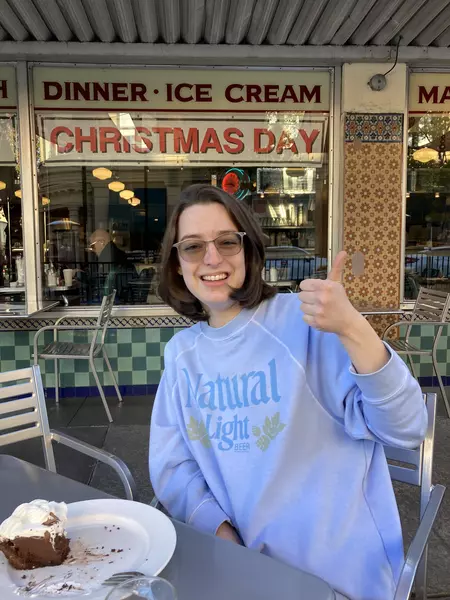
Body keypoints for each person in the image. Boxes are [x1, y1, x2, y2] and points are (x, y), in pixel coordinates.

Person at [149, 184, 427, 600]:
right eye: (192, 247)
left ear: (249, 250)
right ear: (176, 265)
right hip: (244, 577)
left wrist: (352, 327)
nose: (211, 258)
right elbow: (173, 466)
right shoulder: (181, 354)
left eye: (227, 241)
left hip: (337, 582)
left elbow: (407, 428)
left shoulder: (307, 323)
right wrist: (222, 535)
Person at [88, 229, 137, 303]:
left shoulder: (107, 257)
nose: (92, 250)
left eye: (93, 246)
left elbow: (101, 281)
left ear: (102, 242)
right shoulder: (117, 254)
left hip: (114, 300)